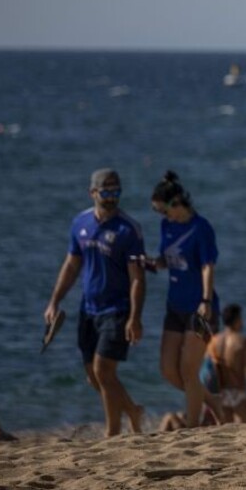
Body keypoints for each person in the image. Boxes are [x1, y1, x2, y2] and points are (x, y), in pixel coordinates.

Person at [43, 168, 147, 437]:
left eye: (116, 191)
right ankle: (128, 414)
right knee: (94, 376)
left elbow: (138, 278)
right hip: (88, 310)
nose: (112, 197)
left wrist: (135, 317)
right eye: (106, 192)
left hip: (117, 309)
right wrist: (54, 302)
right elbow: (71, 266)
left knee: (104, 370)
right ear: (93, 193)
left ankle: (117, 428)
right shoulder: (80, 223)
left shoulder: (129, 229)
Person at [148, 171, 221, 428]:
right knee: (169, 370)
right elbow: (168, 259)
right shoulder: (167, 226)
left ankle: (192, 426)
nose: (162, 216)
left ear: (177, 203)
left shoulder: (201, 228)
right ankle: (213, 403)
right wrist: (153, 263)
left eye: (163, 210)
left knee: (189, 370)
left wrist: (206, 301)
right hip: (174, 305)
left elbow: (207, 267)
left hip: (198, 307)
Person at [207, 304, 246, 423]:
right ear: (237, 320)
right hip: (238, 391)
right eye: (241, 318)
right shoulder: (243, 342)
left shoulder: (214, 341)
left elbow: (209, 369)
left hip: (220, 392)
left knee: (226, 432)